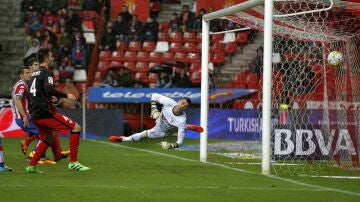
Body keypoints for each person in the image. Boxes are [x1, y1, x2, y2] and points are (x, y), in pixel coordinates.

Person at [26, 48, 90, 173]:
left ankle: (32, 166)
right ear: (45, 58)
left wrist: (49, 99)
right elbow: (48, 89)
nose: (53, 58)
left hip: (35, 114)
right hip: (46, 113)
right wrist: (66, 96)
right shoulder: (47, 73)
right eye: (51, 56)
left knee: (48, 137)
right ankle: (73, 162)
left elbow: (32, 94)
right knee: (76, 128)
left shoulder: (34, 74)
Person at [13, 65, 69, 165]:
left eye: (30, 72)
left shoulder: (24, 84)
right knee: (47, 134)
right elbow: (17, 100)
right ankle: (34, 155)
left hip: (27, 116)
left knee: (46, 132)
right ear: (21, 75)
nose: (29, 74)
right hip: (24, 117)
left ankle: (41, 155)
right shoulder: (22, 86)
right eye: (27, 73)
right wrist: (25, 116)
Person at [109, 93, 191, 150]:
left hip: (162, 132)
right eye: (182, 103)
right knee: (142, 135)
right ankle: (189, 127)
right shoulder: (169, 102)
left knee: (143, 134)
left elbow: (180, 142)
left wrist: (171, 146)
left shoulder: (181, 120)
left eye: (185, 106)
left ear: (185, 108)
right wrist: (153, 108)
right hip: (159, 122)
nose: (182, 106)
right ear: (179, 101)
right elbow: (154, 95)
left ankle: (122, 139)